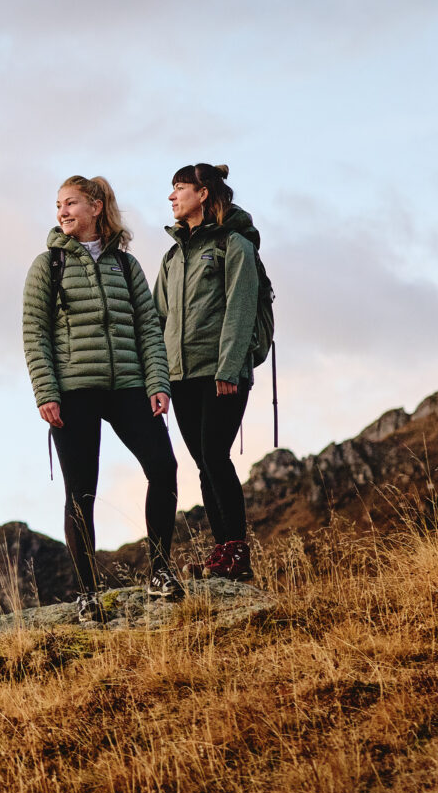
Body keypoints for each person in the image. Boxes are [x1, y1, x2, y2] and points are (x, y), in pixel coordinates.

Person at [23, 175, 183, 623]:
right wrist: (46, 392)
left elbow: (149, 329)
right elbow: (35, 333)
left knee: (164, 468)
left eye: (71, 203)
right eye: (58, 206)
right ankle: (87, 593)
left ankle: (160, 572)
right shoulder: (47, 265)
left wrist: (158, 383)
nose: (62, 212)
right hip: (73, 392)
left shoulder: (126, 266)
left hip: (128, 386)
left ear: (96, 206)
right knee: (81, 492)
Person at [157, 162, 262, 582]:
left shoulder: (233, 244)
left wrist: (230, 367)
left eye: (179, 188)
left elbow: (241, 307)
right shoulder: (171, 257)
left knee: (215, 456)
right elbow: (157, 319)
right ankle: (223, 552)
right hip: (181, 377)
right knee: (203, 461)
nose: (171, 197)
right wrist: (158, 379)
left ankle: (236, 551)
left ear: (202, 193)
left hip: (222, 373)